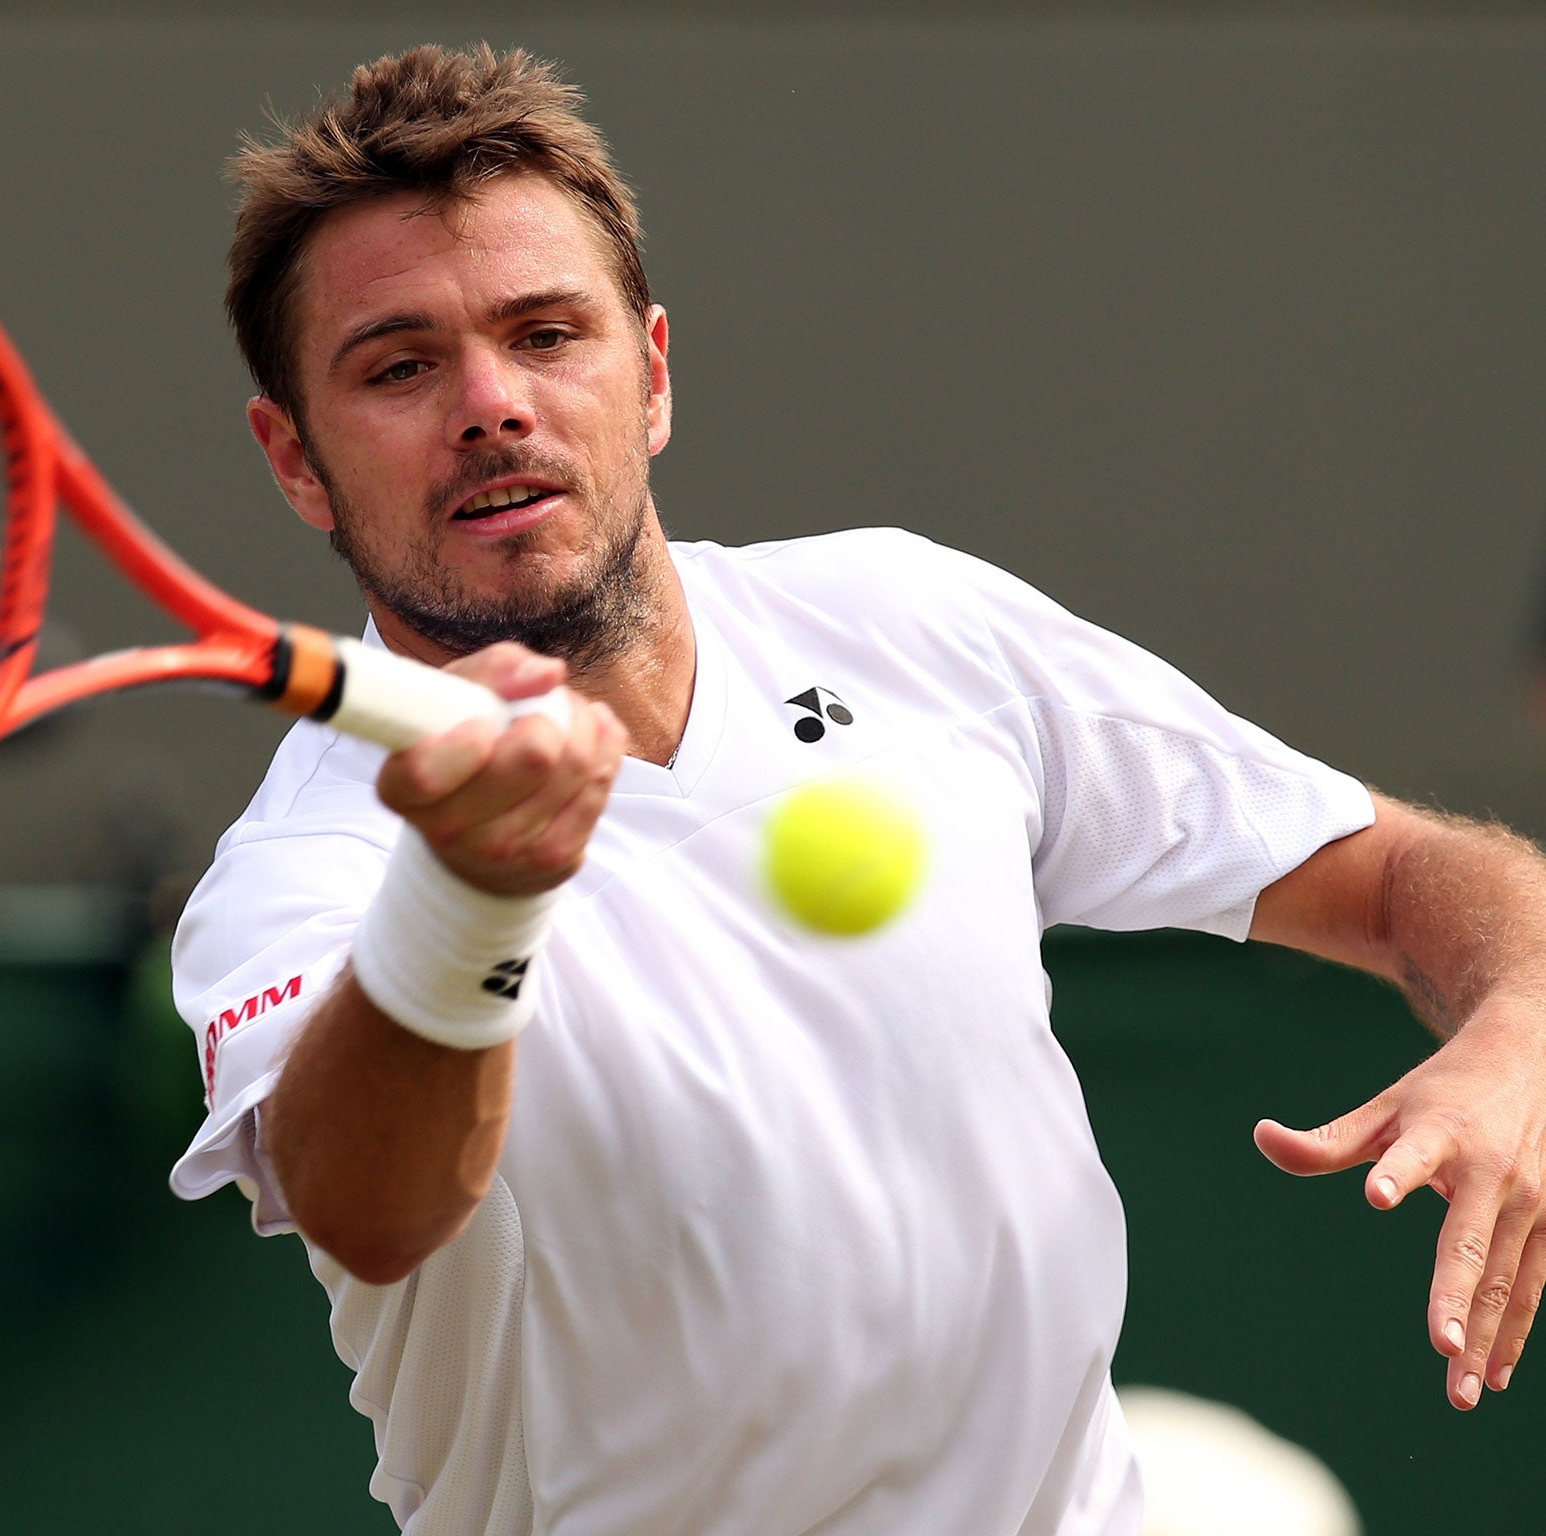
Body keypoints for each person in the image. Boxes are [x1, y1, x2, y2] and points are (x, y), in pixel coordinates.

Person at [169, 44, 1546, 1535]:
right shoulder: (305, 870)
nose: (491, 404)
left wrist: (1524, 1011)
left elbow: (1406, 877)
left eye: (546, 333)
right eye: (400, 366)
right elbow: (371, 1210)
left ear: (652, 376)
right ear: (295, 463)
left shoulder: (911, 625)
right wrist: (465, 897)